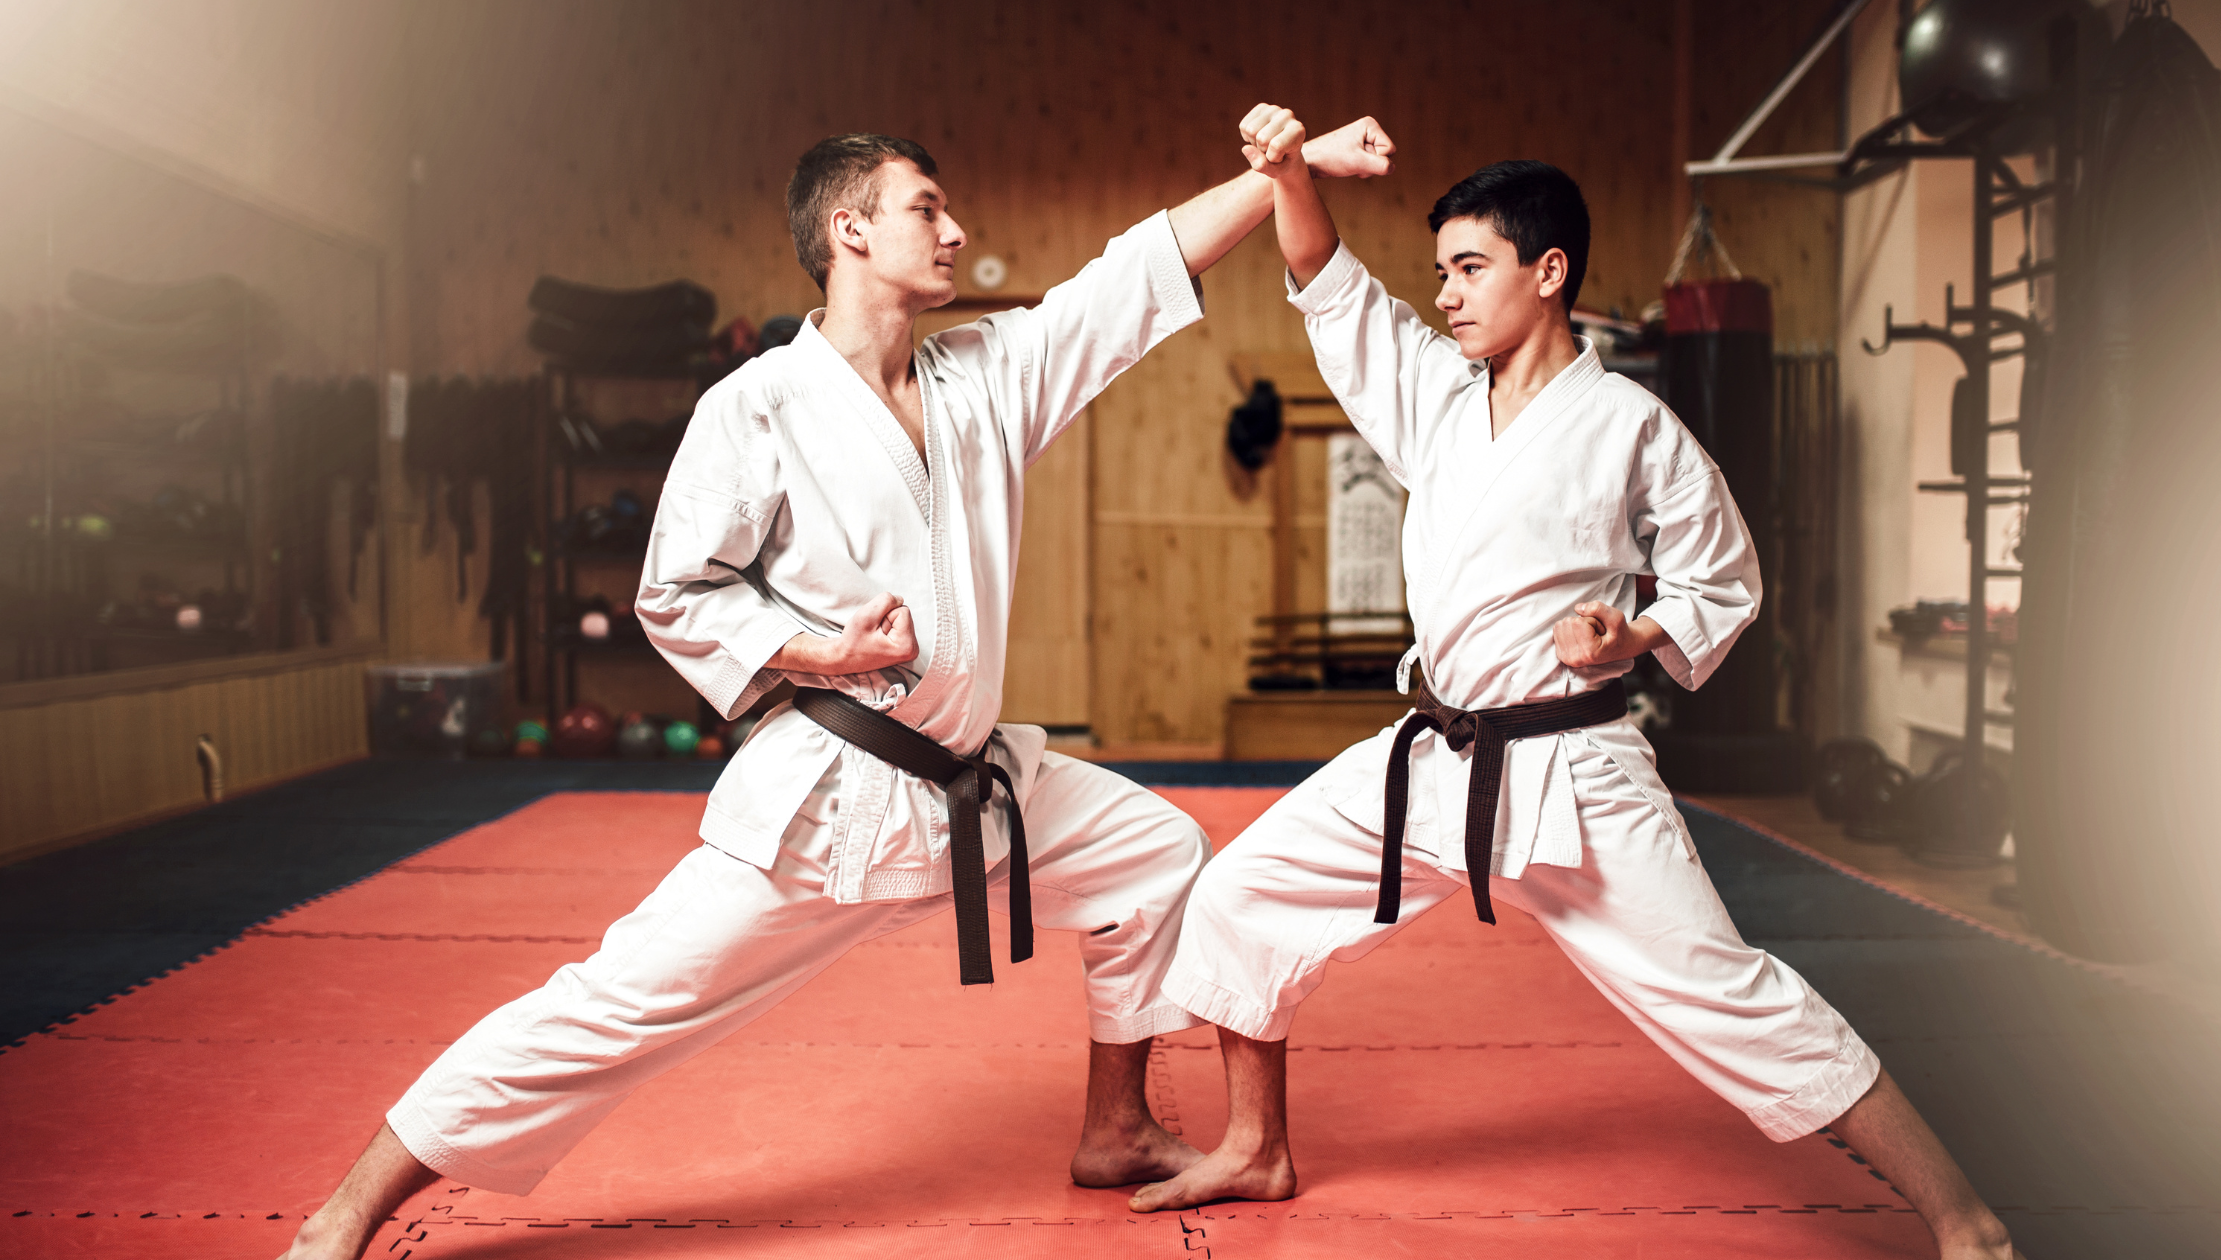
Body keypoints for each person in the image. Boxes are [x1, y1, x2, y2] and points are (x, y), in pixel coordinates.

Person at [277, 119, 1395, 1260]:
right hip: (830, 801)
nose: (955, 230)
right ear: (848, 229)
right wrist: (817, 654)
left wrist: (1276, 180)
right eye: (927, 208)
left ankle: (1115, 1128)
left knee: (1151, 855)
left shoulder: (987, 376)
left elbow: (1133, 277)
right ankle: (349, 1208)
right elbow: (674, 593)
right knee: (616, 1005)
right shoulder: (754, 408)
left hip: (976, 784)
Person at [1128, 106, 2021, 1260]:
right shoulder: (1433, 401)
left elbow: (1722, 577)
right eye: (1437, 271)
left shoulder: (1629, 426)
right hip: (1433, 756)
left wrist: (1633, 636)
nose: (1443, 293)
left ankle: (1964, 1218)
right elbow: (1323, 276)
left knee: (1726, 997)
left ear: (1546, 271)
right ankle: (1255, 1146)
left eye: (1467, 267)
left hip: (1571, 772)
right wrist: (1288, 171)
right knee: (1240, 895)